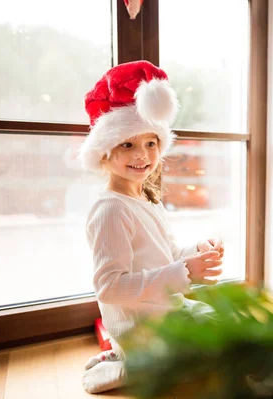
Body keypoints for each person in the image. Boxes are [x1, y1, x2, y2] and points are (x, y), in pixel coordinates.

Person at [77, 60, 224, 393]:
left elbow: (167, 255)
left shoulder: (146, 198)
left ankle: (133, 359)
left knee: (227, 326)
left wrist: (195, 254)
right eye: (127, 144)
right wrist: (185, 271)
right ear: (104, 153)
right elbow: (110, 287)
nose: (141, 155)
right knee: (222, 354)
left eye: (151, 143)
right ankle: (131, 362)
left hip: (165, 309)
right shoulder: (111, 209)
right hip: (141, 325)